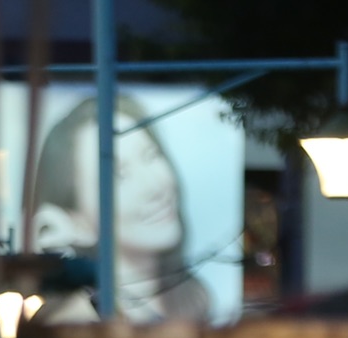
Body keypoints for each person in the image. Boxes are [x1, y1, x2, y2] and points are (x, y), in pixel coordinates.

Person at [26, 94, 214, 325]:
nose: (155, 185)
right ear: (73, 220)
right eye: (119, 175)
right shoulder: (76, 323)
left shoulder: (195, 299)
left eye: (151, 155)